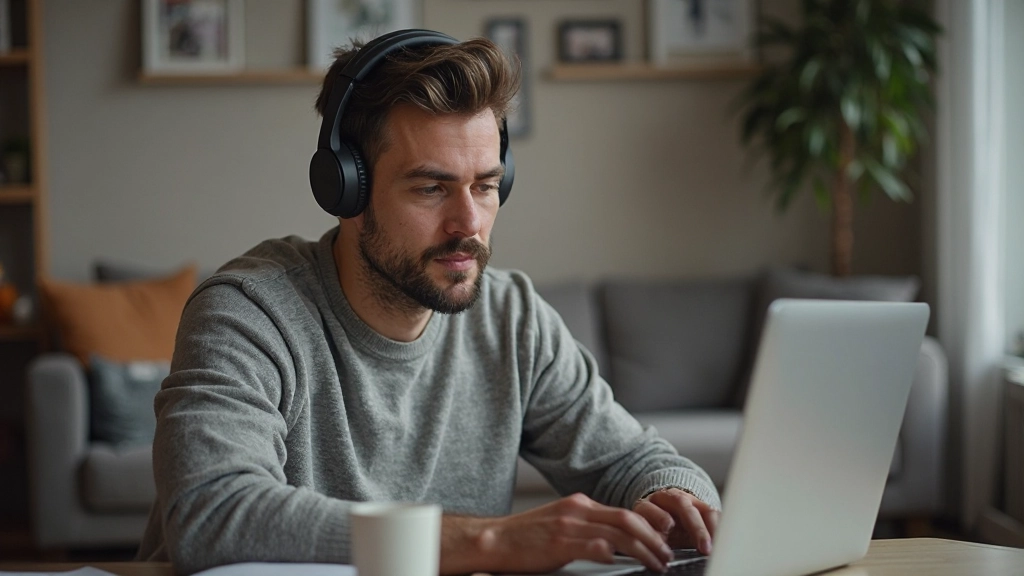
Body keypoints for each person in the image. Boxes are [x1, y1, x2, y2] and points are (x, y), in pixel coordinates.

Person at [138, 30, 721, 575]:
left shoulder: (513, 319)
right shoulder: (248, 313)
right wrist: (490, 542)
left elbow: (629, 461)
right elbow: (212, 512)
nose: (468, 223)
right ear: (346, 189)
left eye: (486, 185)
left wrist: (676, 499)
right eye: (430, 188)